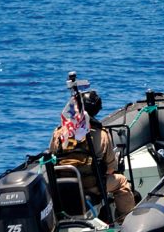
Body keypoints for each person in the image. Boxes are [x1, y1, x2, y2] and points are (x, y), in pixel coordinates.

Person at [50, 89, 136, 224]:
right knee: (121, 182)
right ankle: (124, 221)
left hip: (63, 184)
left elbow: (52, 157)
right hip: (91, 185)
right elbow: (110, 169)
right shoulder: (101, 134)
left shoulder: (60, 132)